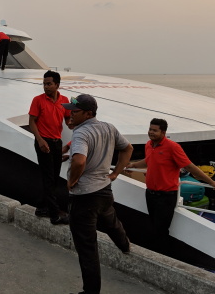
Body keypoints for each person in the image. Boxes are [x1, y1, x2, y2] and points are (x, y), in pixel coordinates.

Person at [63, 94, 133, 294]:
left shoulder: (80, 133)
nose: (70, 114)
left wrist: (72, 181)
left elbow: (79, 161)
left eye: (75, 111)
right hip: (104, 190)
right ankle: (125, 245)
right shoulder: (108, 127)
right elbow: (127, 148)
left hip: (84, 197)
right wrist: (116, 173)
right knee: (110, 220)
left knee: (87, 249)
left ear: (88, 113)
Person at [127, 118, 215, 255]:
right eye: (150, 129)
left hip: (166, 196)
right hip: (150, 193)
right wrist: (134, 165)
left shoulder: (173, 147)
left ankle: (162, 255)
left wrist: (211, 182)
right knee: (153, 224)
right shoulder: (148, 145)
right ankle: (156, 253)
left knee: (161, 229)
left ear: (163, 132)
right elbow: (148, 160)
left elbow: (189, 166)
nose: (151, 133)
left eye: (155, 130)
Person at [29, 70, 71, 224]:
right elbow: (32, 122)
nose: (45, 86)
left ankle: (42, 208)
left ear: (57, 85)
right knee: (48, 177)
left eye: (49, 84)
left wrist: (78, 121)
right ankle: (55, 214)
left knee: (53, 177)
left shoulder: (65, 100)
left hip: (56, 142)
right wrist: (40, 140)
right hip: (43, 141)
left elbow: (68, 120)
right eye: (44, 84)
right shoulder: (38, 100)